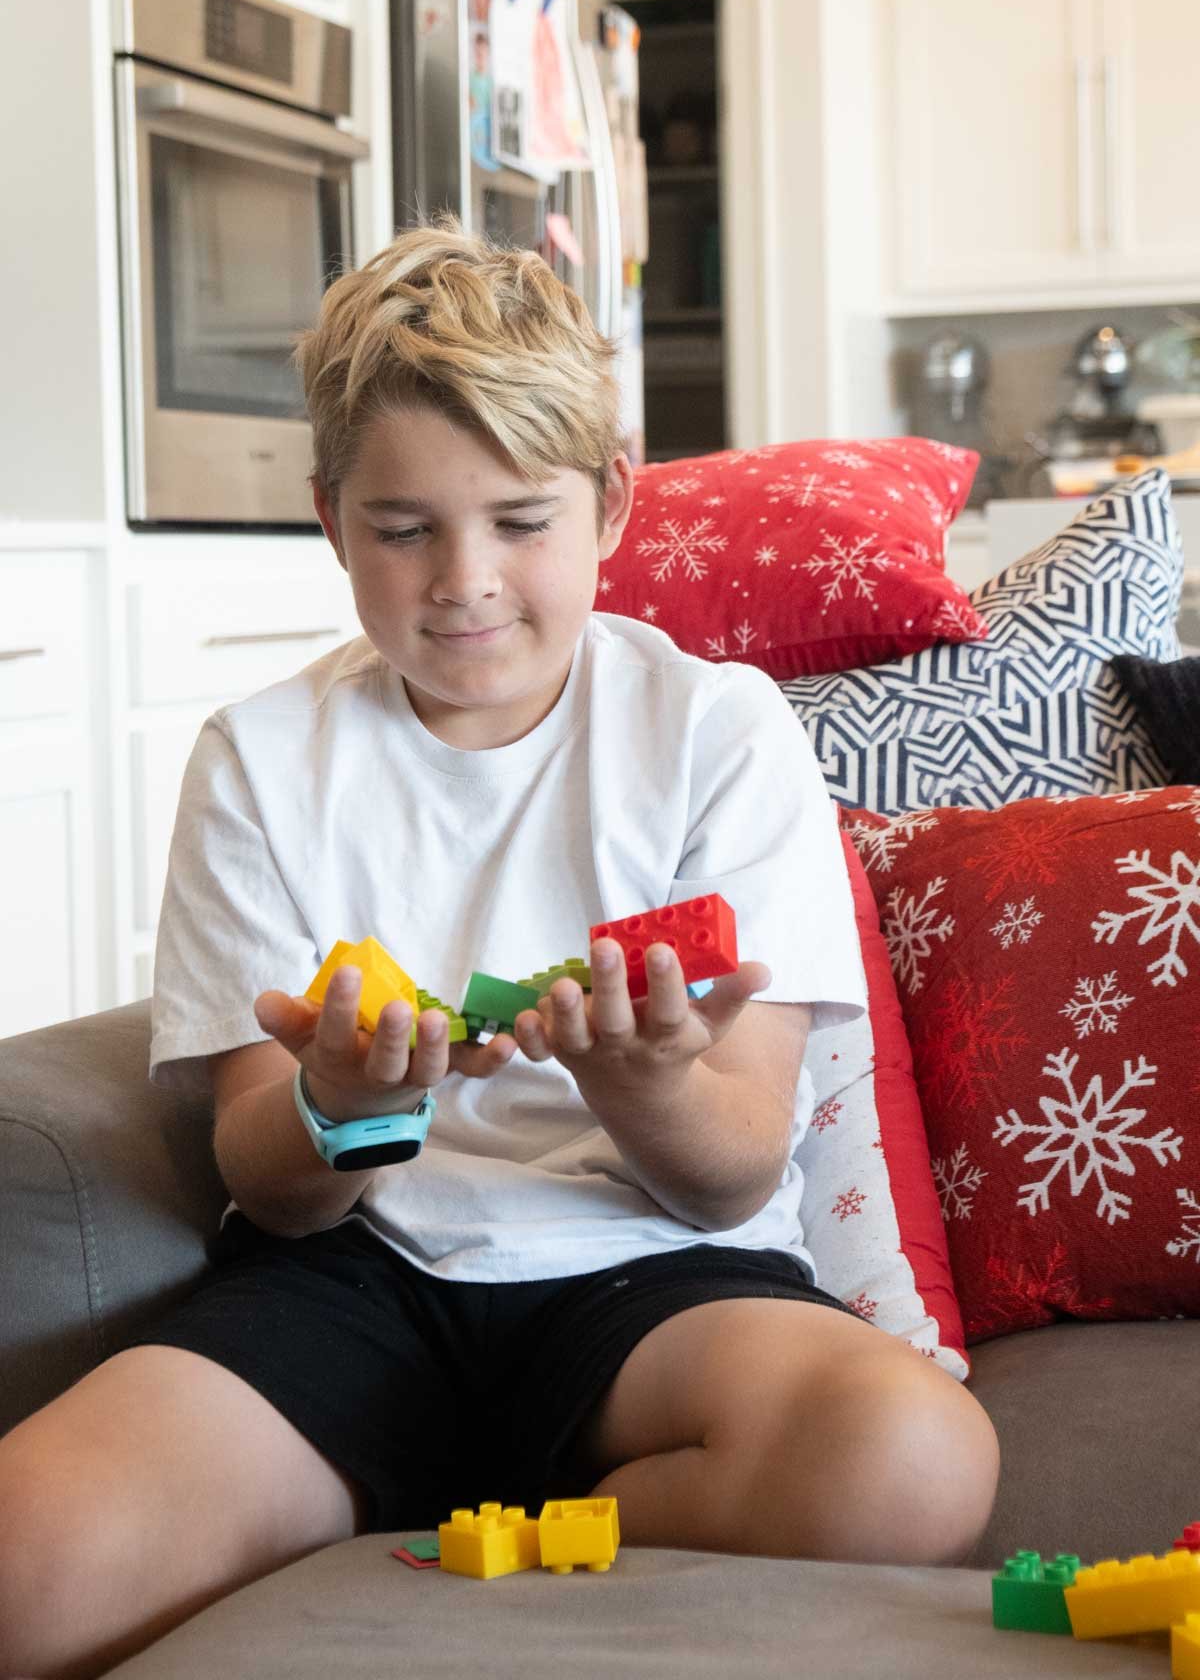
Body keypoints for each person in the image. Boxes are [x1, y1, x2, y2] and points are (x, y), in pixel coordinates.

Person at [0, 223, 999, 1678]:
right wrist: (350, 1104)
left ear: (610, 503)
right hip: (356, 1278)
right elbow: (267, 1191)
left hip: (660, 1274)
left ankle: (446, 1542)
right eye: (404, 529)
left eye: (520, 522)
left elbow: (730, 1168)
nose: (464, 581)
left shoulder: (715, 732)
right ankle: (399, 1514)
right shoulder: (262, 757)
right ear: (331, 519)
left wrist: (641, 1077)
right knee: (29, 1571)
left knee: (913, 1463)